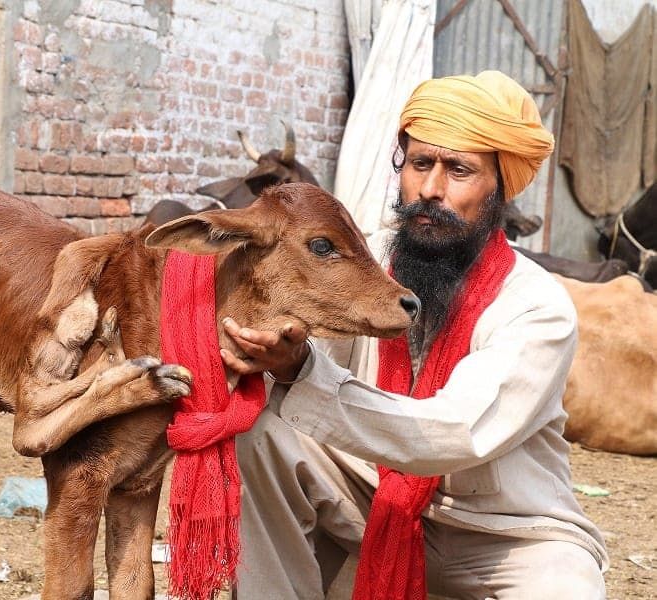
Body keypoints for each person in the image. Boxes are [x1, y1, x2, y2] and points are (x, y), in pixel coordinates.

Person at [220, 71, 608, 600]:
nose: (430, 190)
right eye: (420, 164)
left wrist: (302, 371)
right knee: (263, 432)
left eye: (459, 170)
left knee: (569, 588)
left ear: (500, 188)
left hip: (503, 534)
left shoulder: (536, 306)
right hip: (373, 499)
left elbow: (454, 430)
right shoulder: (365, 261)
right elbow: (293, 333)